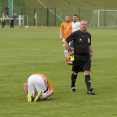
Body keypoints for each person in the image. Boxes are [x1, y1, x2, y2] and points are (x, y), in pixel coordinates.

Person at [65, 20, 95, 95]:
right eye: (82, 24)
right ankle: (72, 86)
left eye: (85, 24)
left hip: (86, 57)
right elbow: (66, 41)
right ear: (80, 25)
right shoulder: (75, 34)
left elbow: (89, 44)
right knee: (75, 72)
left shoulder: (89, 35)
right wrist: (69, 51)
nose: (83, 26)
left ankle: (89, 90)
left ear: (87, 26)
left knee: (87, 72)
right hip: (77, 57)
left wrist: (91, 52)